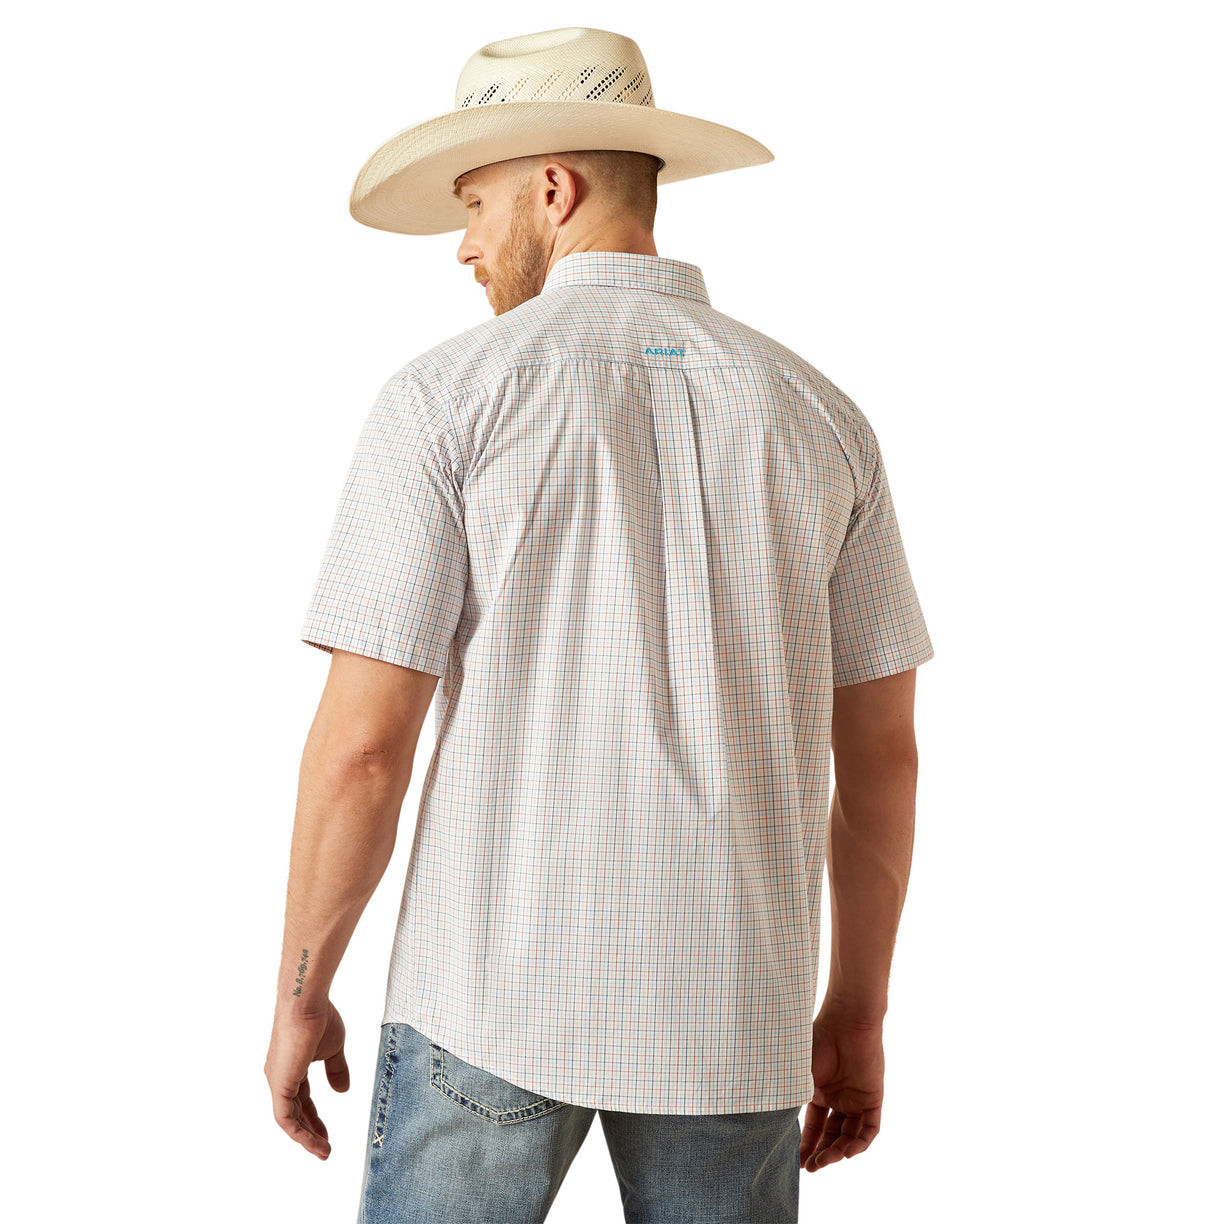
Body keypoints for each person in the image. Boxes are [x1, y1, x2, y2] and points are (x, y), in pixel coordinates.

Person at [264, 26, 935, 1224]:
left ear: (554, 189)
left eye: (474, 204)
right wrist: (857, 1011)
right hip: (733, 1018)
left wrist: (301, 985)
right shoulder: (823, 418)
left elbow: (366, 748)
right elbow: (883, 755)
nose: (464, 245)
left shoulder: (445, 400)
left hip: (489, 1001)